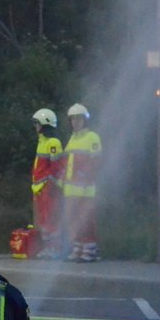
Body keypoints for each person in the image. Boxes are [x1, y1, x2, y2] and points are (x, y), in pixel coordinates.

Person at [62, 103, 102, 262]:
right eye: (72, 119)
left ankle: (90, 249)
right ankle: (78, 247)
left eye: (78, 119)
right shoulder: (72, 138)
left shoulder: (92, 137)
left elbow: (96, 163)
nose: (75, 122)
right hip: (71, 189)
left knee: (87, 219)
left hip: (86, 189)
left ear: (84, 120)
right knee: (74, 219)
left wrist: (85, 177)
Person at [31, 108, 63, 259]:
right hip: (40, 187)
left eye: (37, 124)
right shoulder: (42, 142)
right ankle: (48, 248)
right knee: (44, 221)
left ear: (45, 124)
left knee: (51, 220)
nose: (35, 127)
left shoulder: (53, 143)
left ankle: (55, 248)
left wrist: (53, 186)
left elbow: (56, 167)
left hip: (47, 187)